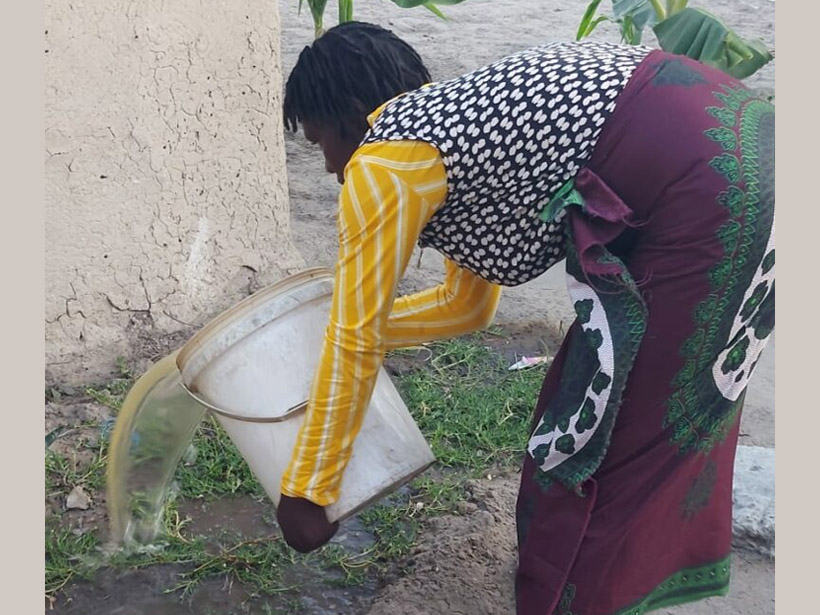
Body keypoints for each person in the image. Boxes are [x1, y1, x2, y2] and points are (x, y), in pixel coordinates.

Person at [275, 21, 775, 615]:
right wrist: (337, 335)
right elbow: (468, 306)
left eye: (321, 143)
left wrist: (309, 491)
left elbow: (355, 341)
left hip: (704, 178)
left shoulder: (383, 162)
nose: (331, 169)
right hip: (752, 142)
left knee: (599, 439)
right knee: (639, 414)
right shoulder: (463, 130)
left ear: (357, 114)